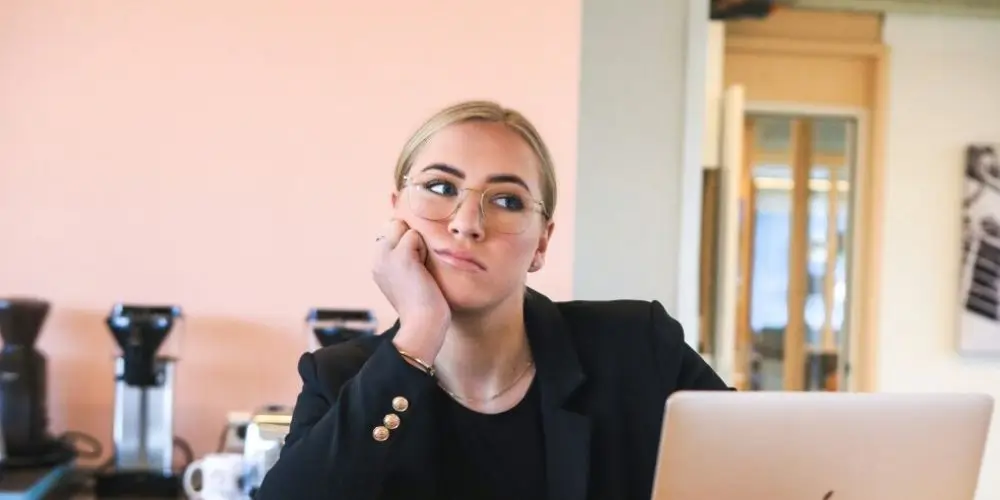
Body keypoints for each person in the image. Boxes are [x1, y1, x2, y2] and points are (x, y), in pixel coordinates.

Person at [254, 100, 732, 500]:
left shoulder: (638, 348)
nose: (467, 223)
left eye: (507, 200)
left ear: (541, 243)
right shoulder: (338, 378)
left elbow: (775, 474)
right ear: (396, 212)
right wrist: (418, 332)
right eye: (441, 188)